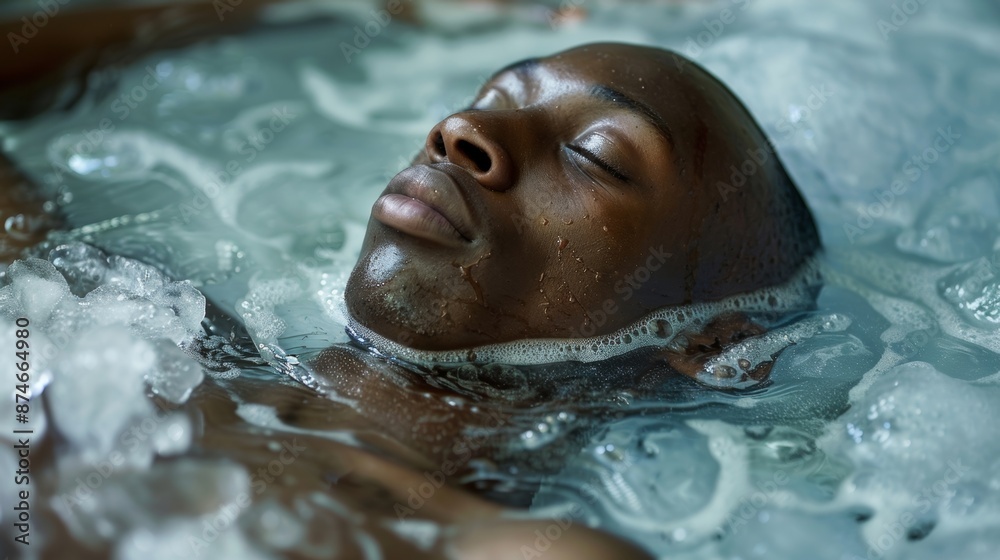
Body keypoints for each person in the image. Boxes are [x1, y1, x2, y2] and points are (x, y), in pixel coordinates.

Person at [0, 11, 819, 555]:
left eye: (599, 156)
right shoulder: (128, 321)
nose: (462, 131)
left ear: (709, 342)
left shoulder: (502, 547)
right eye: (490, 99)